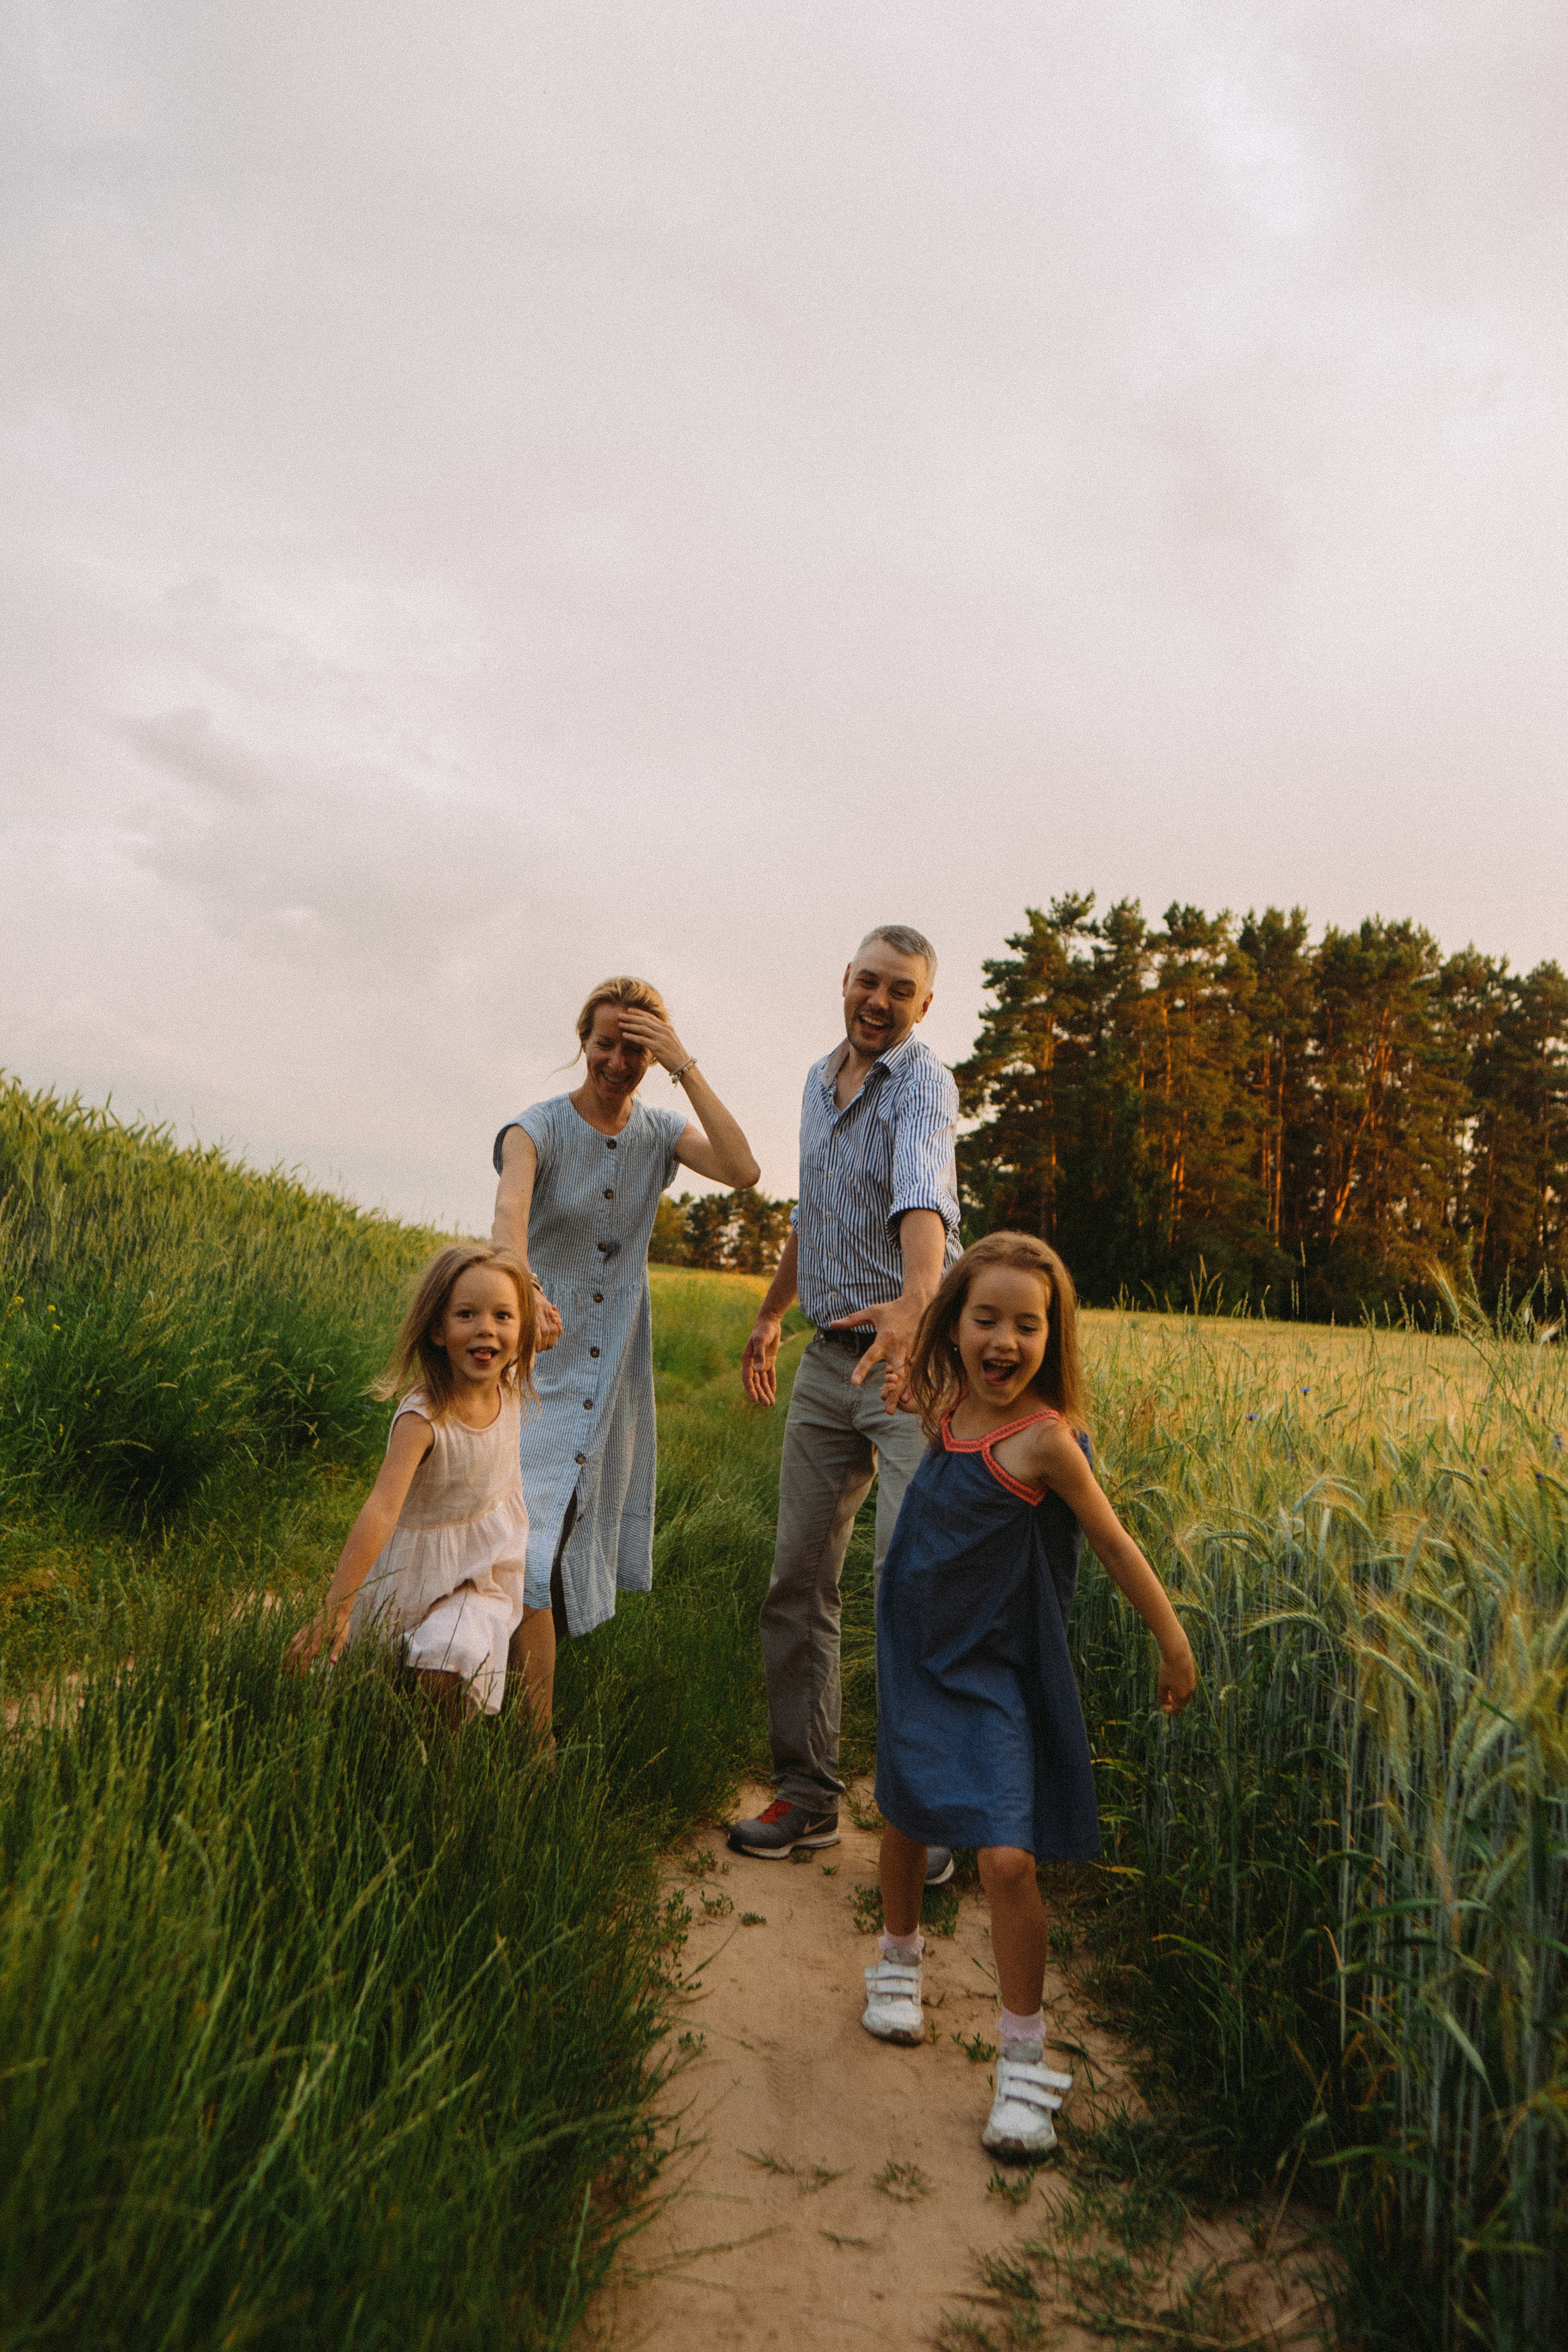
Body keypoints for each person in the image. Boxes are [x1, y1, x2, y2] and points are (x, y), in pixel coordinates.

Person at [859, 1231, 1197, 2159]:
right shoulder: (944, 1408)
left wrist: (1172, 1641)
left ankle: (1023, 2061)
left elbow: (1118, 1545)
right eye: (986, 1320)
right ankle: (897, 1963)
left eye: (1028, 1325)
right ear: (955, 1327)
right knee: (907, 1806)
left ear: (1055, 1337)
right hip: (916, 1645)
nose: (1005, 1341)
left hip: (994, 1668)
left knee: (1008, 1860)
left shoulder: (1045, 1441)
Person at [729, 924, 960, 1871]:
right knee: (797, 1581)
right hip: (830, 1363)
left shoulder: (924, 1084)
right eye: (868, 982)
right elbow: (813, 1211)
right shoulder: (815, 1082)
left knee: (907, 1585)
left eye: (899, 990)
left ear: (924, 1005)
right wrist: (772, 1310)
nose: (879, 1001)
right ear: (844, 980)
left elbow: (923, 1199)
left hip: (909, 1363)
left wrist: (915, 1307)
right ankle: (808, 1794)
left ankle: (926, 1813)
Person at [491, 976, 759, 1709]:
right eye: (605, 1043)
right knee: (525, 1543)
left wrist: (684, 1065)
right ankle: (527, 1742)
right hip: (533, 1355)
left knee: (546, 1544)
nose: (616, 1060)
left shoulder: (659, 1131)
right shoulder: (533, 1129)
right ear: (582, 1041)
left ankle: (518, 1724)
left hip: (610, 1368)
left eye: (634, 1048)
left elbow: (742, 1170)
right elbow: (507, 1223)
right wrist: (527, 1293)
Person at [285, 1242, 552, 1727]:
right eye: (466, 1315)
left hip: (483, 1571)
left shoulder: (510, 1378)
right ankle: (398, 1759)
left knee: (451, 1662)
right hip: (413, 1571)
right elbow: (382, 1509)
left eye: (502, 1317)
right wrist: (336, 1608)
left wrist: (536, 1305)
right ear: (437, 1330)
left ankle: (442, 1777)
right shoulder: (424, 1417)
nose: (486, 1329)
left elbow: (534, 1332)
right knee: (374, 1692)